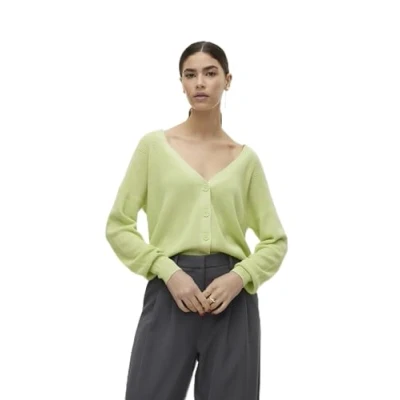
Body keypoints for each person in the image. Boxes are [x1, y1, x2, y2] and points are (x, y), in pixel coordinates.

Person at [105, 40, 288, 400]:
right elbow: (118, 225)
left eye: (210, 73)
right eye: (190, 75)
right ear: (182, 84)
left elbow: (275, 241)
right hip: (170, 292)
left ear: (228, 80)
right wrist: (168, 271)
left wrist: (239, 277)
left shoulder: (245, 160)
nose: (200, 82)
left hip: (232, 301)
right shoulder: (154, 147)